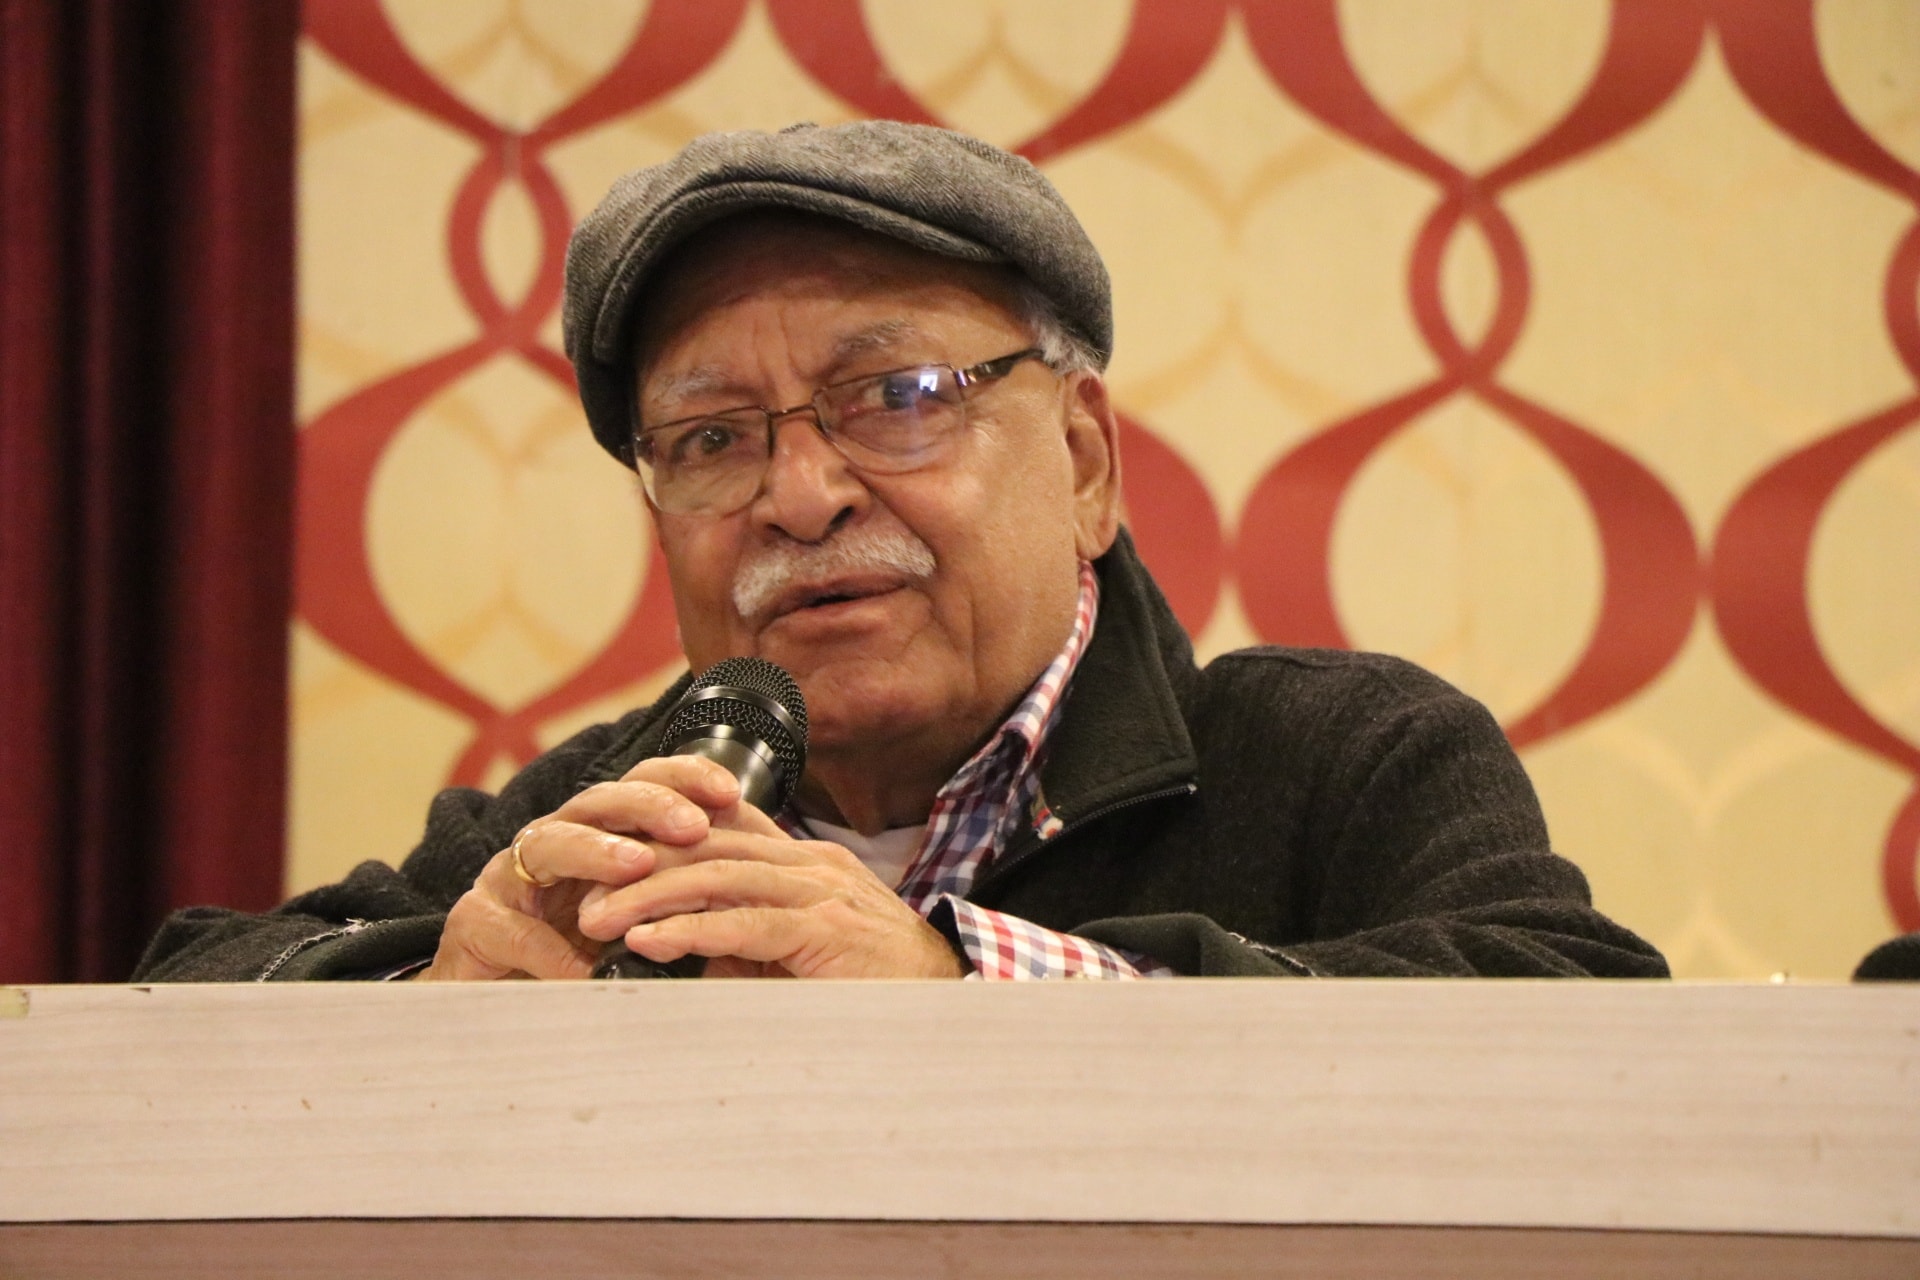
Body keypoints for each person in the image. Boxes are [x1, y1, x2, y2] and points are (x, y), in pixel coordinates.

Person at [135, 121, 1667, 983]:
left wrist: (969, 997)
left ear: (1084, 462)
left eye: (898, 398)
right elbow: (181, 982)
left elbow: (1587, 1026)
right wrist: (417, 1001)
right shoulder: (600, 820)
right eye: (713, 438)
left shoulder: (1342, 760)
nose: (800, 498)